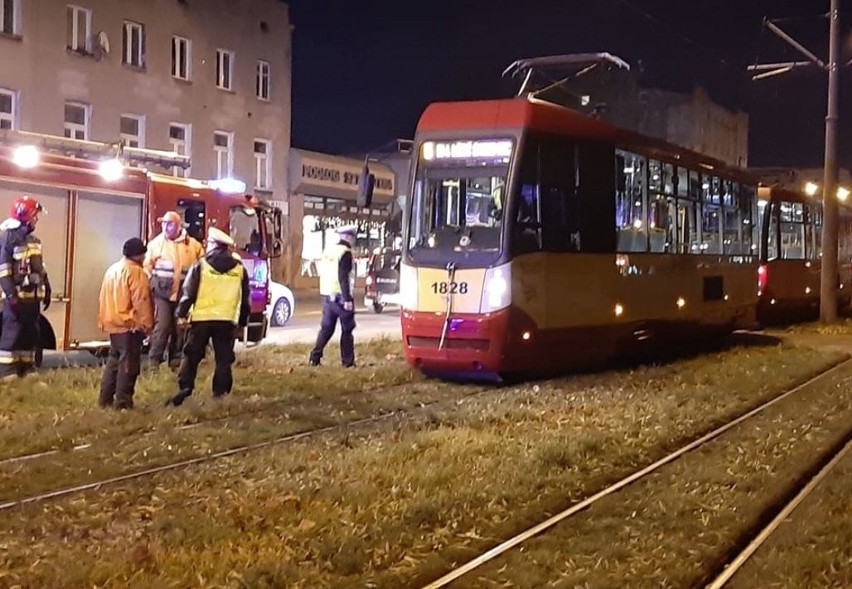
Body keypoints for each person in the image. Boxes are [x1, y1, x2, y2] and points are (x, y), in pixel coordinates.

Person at [165, 227, 249, 407]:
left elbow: (188, 293)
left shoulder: (200, 265)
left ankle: (185, 388)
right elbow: (245, 298)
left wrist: (180, 314)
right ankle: (220, 393)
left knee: (191, 355)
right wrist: (242, 322)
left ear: (213, 245)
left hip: (201, 320)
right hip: (226, 321)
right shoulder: (240, 269)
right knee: (223, 358)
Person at [97, 238, 155, 409]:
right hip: (129, 325)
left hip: (113, 324)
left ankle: (105, 400)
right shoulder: (136, 272)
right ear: (139, 255)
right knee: (128, 365)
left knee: (113, 362)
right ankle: (123, 402)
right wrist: (147, 325)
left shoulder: (112, 269)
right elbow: (141, 301)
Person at [143, 211, 203, 367]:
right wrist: (151, 282)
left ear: (178, 226)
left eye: (169, 224)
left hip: (183, 295)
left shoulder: (193, 246)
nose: (165, 227)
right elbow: (146, 267)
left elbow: (201, 268)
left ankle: (175, 362)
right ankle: (154, 362)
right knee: (162, 327)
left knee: (180, 328)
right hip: (162, 294)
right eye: (163, 223)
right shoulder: (155, 244)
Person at [0, 195, 50, 380]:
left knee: (30, 334)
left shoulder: (33, 239)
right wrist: (10, 294)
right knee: (12, 333)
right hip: (17, 297)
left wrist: (47, 286)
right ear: (25, 215)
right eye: (34, 215)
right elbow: (3, 270)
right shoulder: (8, 238)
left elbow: (40, 267)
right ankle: (6, 372)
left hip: (32, 297)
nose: (36, 219)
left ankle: (26, 368)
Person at [309, 224, 357, 367]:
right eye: (353, 238)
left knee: (326, 329)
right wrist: (348, 299)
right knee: (347, 330)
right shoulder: (346, 253)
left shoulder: (328, 251)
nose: (353, 241)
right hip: (341, 297)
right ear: (348, 237)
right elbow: (343, 276)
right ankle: (347, 362)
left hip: (327, 296)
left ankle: (314, 358)